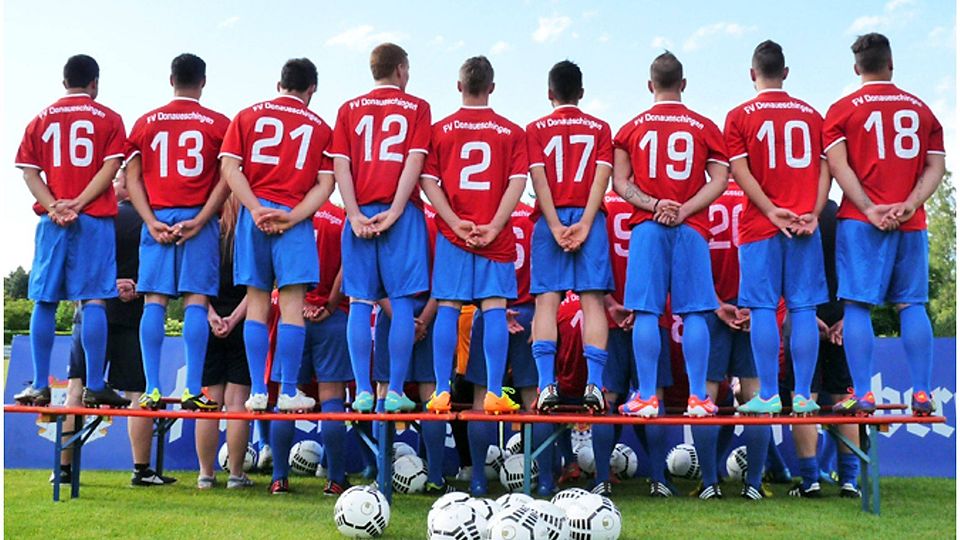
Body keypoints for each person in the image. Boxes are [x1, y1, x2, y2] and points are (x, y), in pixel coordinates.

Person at [420, 55, 528, 492]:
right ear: (492, 87)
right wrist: (496, 225)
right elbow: (517, 183)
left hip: (454, 233)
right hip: (494, 235)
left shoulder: (439, 130)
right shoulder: (512, 131)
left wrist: (453, 222)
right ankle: (494, 392)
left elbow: (429, 182)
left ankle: (441, 388)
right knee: (494, 308)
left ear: (458, 85)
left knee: (448, 307)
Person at [824, 33, 946, 417]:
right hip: (911, 222)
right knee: (912, 304)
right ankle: (922, 392)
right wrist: (910, 204)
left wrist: (869, 208)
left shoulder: (841, 110)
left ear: (856, 68)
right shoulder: (922, 110)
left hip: (860, 221)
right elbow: (936, 165)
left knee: (857, 306)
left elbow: (838, 166)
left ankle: (863, 393)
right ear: (891, 64)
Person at [612, 51, 729, 418]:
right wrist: (684, 208)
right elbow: (720, 180)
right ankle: (698, 397)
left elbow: (619, 183)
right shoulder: (704, 126)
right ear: (683, 84)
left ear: (650, 85)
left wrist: (654, 205)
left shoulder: (631, 128)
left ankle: (647, 395)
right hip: (691, 227)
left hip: (648, 227)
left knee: (646, 312)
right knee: (695, 313)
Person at [219, 58, 336, 413]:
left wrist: (255, 209)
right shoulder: (321, 127)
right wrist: (293, 217)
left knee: (257, 303)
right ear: (312, 89)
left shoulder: (246, 115)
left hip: (253, 216)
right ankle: (287, 390)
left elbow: (230, 168)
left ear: (278, 84)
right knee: (291, 308)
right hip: (294, 218)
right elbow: (326, 185)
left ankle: (258, 390)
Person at [14, 54, 130, 408]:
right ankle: (94, 383)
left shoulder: (40, 119)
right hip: (93, 219)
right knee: (94, 298)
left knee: (45, 300)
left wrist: (54, 206)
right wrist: (78, 203)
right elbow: (111, 168)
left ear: (64, 82)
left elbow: (29, 172)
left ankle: (39, 384)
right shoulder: (110, 118)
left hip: (52, 221)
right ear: (95, 83)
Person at [723, 40, 829, 421]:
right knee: (803, 308)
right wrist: (813, 213)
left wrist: (770, 210)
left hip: (760, 225)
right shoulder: (813, 115)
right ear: (785, 72)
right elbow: (827, 169)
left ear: (752, 74)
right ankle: (802, 396)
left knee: (763, 308)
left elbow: (739, 171)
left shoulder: (738, 116)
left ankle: (768, 393)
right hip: (804, 224)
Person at [330, 43, 433, 414]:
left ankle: (361, 390)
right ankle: (394, 391)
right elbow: (414, 162)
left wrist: (354, 214)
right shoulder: (418, 107)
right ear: (401, 69)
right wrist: (395, 210)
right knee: (402, 301)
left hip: (359, 213)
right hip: (400, 215)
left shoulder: (347, 109)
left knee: (359, 301)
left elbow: (341, 166)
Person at [125, 53, 231, 410]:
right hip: (197, 220)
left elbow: (132, 179)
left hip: (157, 217)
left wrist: (150, 220)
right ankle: (192, 390)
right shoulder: (219, 124)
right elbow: (227, 179)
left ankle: (152, 389)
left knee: (154, 301)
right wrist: (201, 220)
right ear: (203, 81)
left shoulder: (145, 123)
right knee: (196, 302)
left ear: (171, 80)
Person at [60, 170, 172, 486]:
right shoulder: (155, 222)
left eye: (119, 179)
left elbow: (76, 267)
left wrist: (110, 285)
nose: (113, 182)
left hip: (91, 315)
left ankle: (64, 470)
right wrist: (136, 284)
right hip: (135, 316)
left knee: (76, 389)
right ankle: (142, 470)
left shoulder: (94, 219)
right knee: (138, 393)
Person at [526, 60, 614, 414]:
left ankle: (547, 385)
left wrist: (554, 225)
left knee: (546, 302)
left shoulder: (535, 129)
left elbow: (539, 178)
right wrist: (587, 223)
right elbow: (602, 177)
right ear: (581, 92)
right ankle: (595, 385)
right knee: (592, 302)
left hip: (551, 219)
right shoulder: (601, 128)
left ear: (549, 93)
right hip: (589, 219)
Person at [689, 178, 770, 500]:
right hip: (753, 307)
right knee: (756, 396)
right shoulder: (758, 195)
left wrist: (714, 302)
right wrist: (755, 305)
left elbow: (691, 260)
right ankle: (754, 485)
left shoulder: (702, 196)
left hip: (710, 307)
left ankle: (709, 483)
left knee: (704, 397)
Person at [268, 202, 352, 495]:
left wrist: (300, 303)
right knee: (332, 397)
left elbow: (275, 265)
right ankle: (335, 479)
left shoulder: (290, 217)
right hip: (333, 318)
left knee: (286, 395)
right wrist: (328, 305)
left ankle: (279, 478)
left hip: (292, 317)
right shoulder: (341, 219)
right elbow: (346, 267)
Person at [463, 201, 539, 495]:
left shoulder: (483, 218)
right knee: (534, 398)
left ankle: (477, 479)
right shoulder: (533, 219)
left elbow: (467, 275)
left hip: (490, 313)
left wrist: (495, 312)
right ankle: (544, 478)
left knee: (481, 397)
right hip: (530, 314)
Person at [788, 200, 862, 498]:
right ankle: (849, 481)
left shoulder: (792, 214)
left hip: (804, 312)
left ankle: (810, 482)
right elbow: (861, 268)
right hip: (843, 311)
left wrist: (802, 317)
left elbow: (783, 269)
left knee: (803, 396)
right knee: (845, 397)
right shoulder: (845, 214)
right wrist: (850, 317)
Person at [195, 196, 252, 490]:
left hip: (207, 325)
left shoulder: (206, 235)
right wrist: (233, 319)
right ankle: (236, 474)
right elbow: (257, 288)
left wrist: (212, 317)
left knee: (208, 403)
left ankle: (205, 474)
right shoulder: (251, 236)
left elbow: (195, 284)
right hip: (244, 325)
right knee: (237, 403)